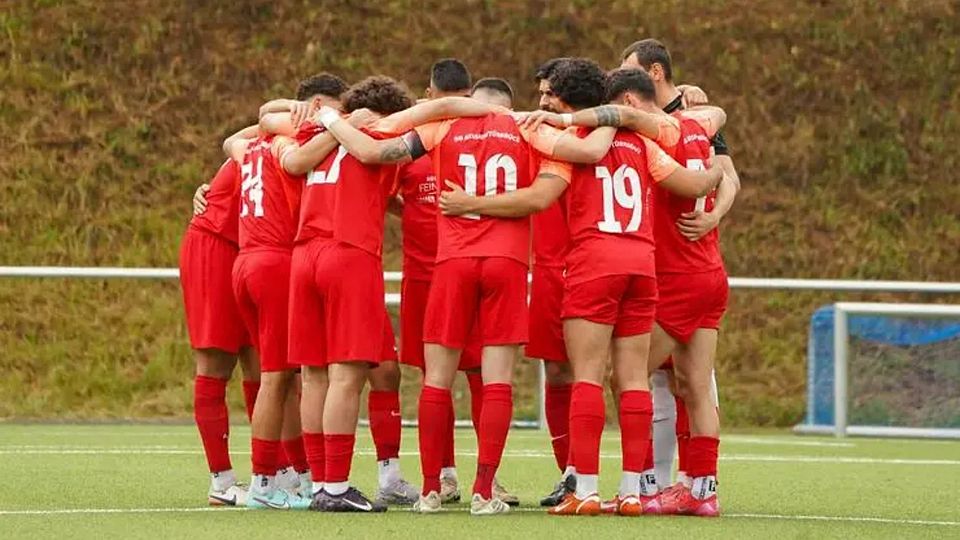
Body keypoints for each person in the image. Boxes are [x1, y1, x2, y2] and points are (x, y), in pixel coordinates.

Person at [437, 58, 723, 517]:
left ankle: (584, 488)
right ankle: (634, 491)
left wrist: (470, 200)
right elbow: (691, 179)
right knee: (634, 379)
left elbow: (543, 195)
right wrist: (714, 176)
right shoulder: (645, 140)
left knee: (587, 375)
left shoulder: (566, 143)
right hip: (642, 263)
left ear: (567, 101)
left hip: (594, 264)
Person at [621, 39, 741, 516]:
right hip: (709, 271)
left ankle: (645, 486)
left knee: (627, 375)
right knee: (690, 384)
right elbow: (720, 117)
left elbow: (633, 121)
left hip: (676, 275)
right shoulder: (699, 119)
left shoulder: (660, 129)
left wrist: (567, 120)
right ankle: (701, 491)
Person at [179, 158, 259, 506]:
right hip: (216, 246)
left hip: (255, 252)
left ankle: (274, 474)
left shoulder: (331, 138)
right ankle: (222, 481)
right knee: (216, 365)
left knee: (267, 365)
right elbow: (247, 131)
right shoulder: (277, 131)